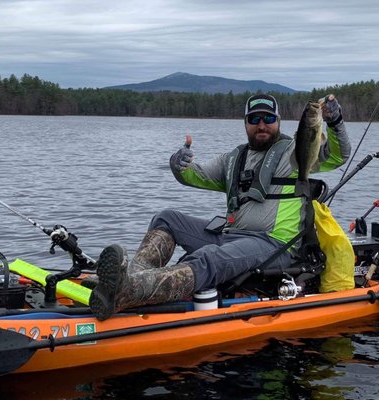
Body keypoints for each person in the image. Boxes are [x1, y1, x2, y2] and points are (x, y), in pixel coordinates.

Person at [89, 94, 355, 321]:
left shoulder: (294, 152)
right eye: (254, 120)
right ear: (245, 124)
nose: (261, 125)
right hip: (232, 236)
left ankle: (133, 291)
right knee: (167, 218)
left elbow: (337, 155)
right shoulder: (234, 159)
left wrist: (335, 122)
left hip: (274, 245)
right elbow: (195, 175)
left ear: (278, 122)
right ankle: (134, 275)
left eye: (268, 119)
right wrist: (178, 164)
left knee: (209, 258)